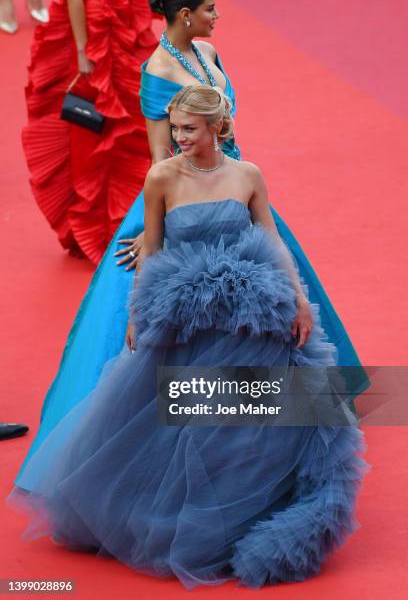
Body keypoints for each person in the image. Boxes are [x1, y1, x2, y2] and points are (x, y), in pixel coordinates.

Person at [7, 86, 368, 590]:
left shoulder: (247, 175)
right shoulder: (161, 178)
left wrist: (300, 299)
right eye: (174, 128)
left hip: (248, 315)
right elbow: (151, 250)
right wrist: (137, 314)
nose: (178, 139)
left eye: (188, 129)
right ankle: (179, 517)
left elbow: (271, 239)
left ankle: (251, 505)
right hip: (185, 321)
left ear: (216, 128)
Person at [14, 0, 368, 490]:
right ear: (186, 14)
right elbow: (162, 155)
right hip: (187, 197)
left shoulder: (207, 51)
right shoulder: (157, 70)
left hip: (232, 181)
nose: (217, 16)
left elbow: (220, 122)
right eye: (210, 9)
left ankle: (277, 419)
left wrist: (236, 179)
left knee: (276, 310)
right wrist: (151, 230)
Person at [22, 0, 157, 263]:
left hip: (123, 16)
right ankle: (96, 231)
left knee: (130, 124)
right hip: (95, 26)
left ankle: (126, 223)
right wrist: (83, 48)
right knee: (92, 128)